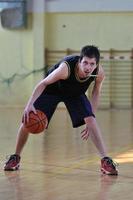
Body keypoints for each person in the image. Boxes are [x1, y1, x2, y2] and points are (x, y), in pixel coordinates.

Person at [4, 45, 118, 175]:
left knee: (91, 121)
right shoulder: (66, 68)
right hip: (52, 90)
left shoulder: (99, 73)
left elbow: (96, 92)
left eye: (92, 64)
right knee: (29, 119)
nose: (88, 67)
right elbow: (43, 83)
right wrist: (29, 105)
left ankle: (105, 160)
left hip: (75, 93)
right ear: (80, 61)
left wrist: (91, 115)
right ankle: (15, 157)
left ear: (97, 64)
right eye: (85, 62)